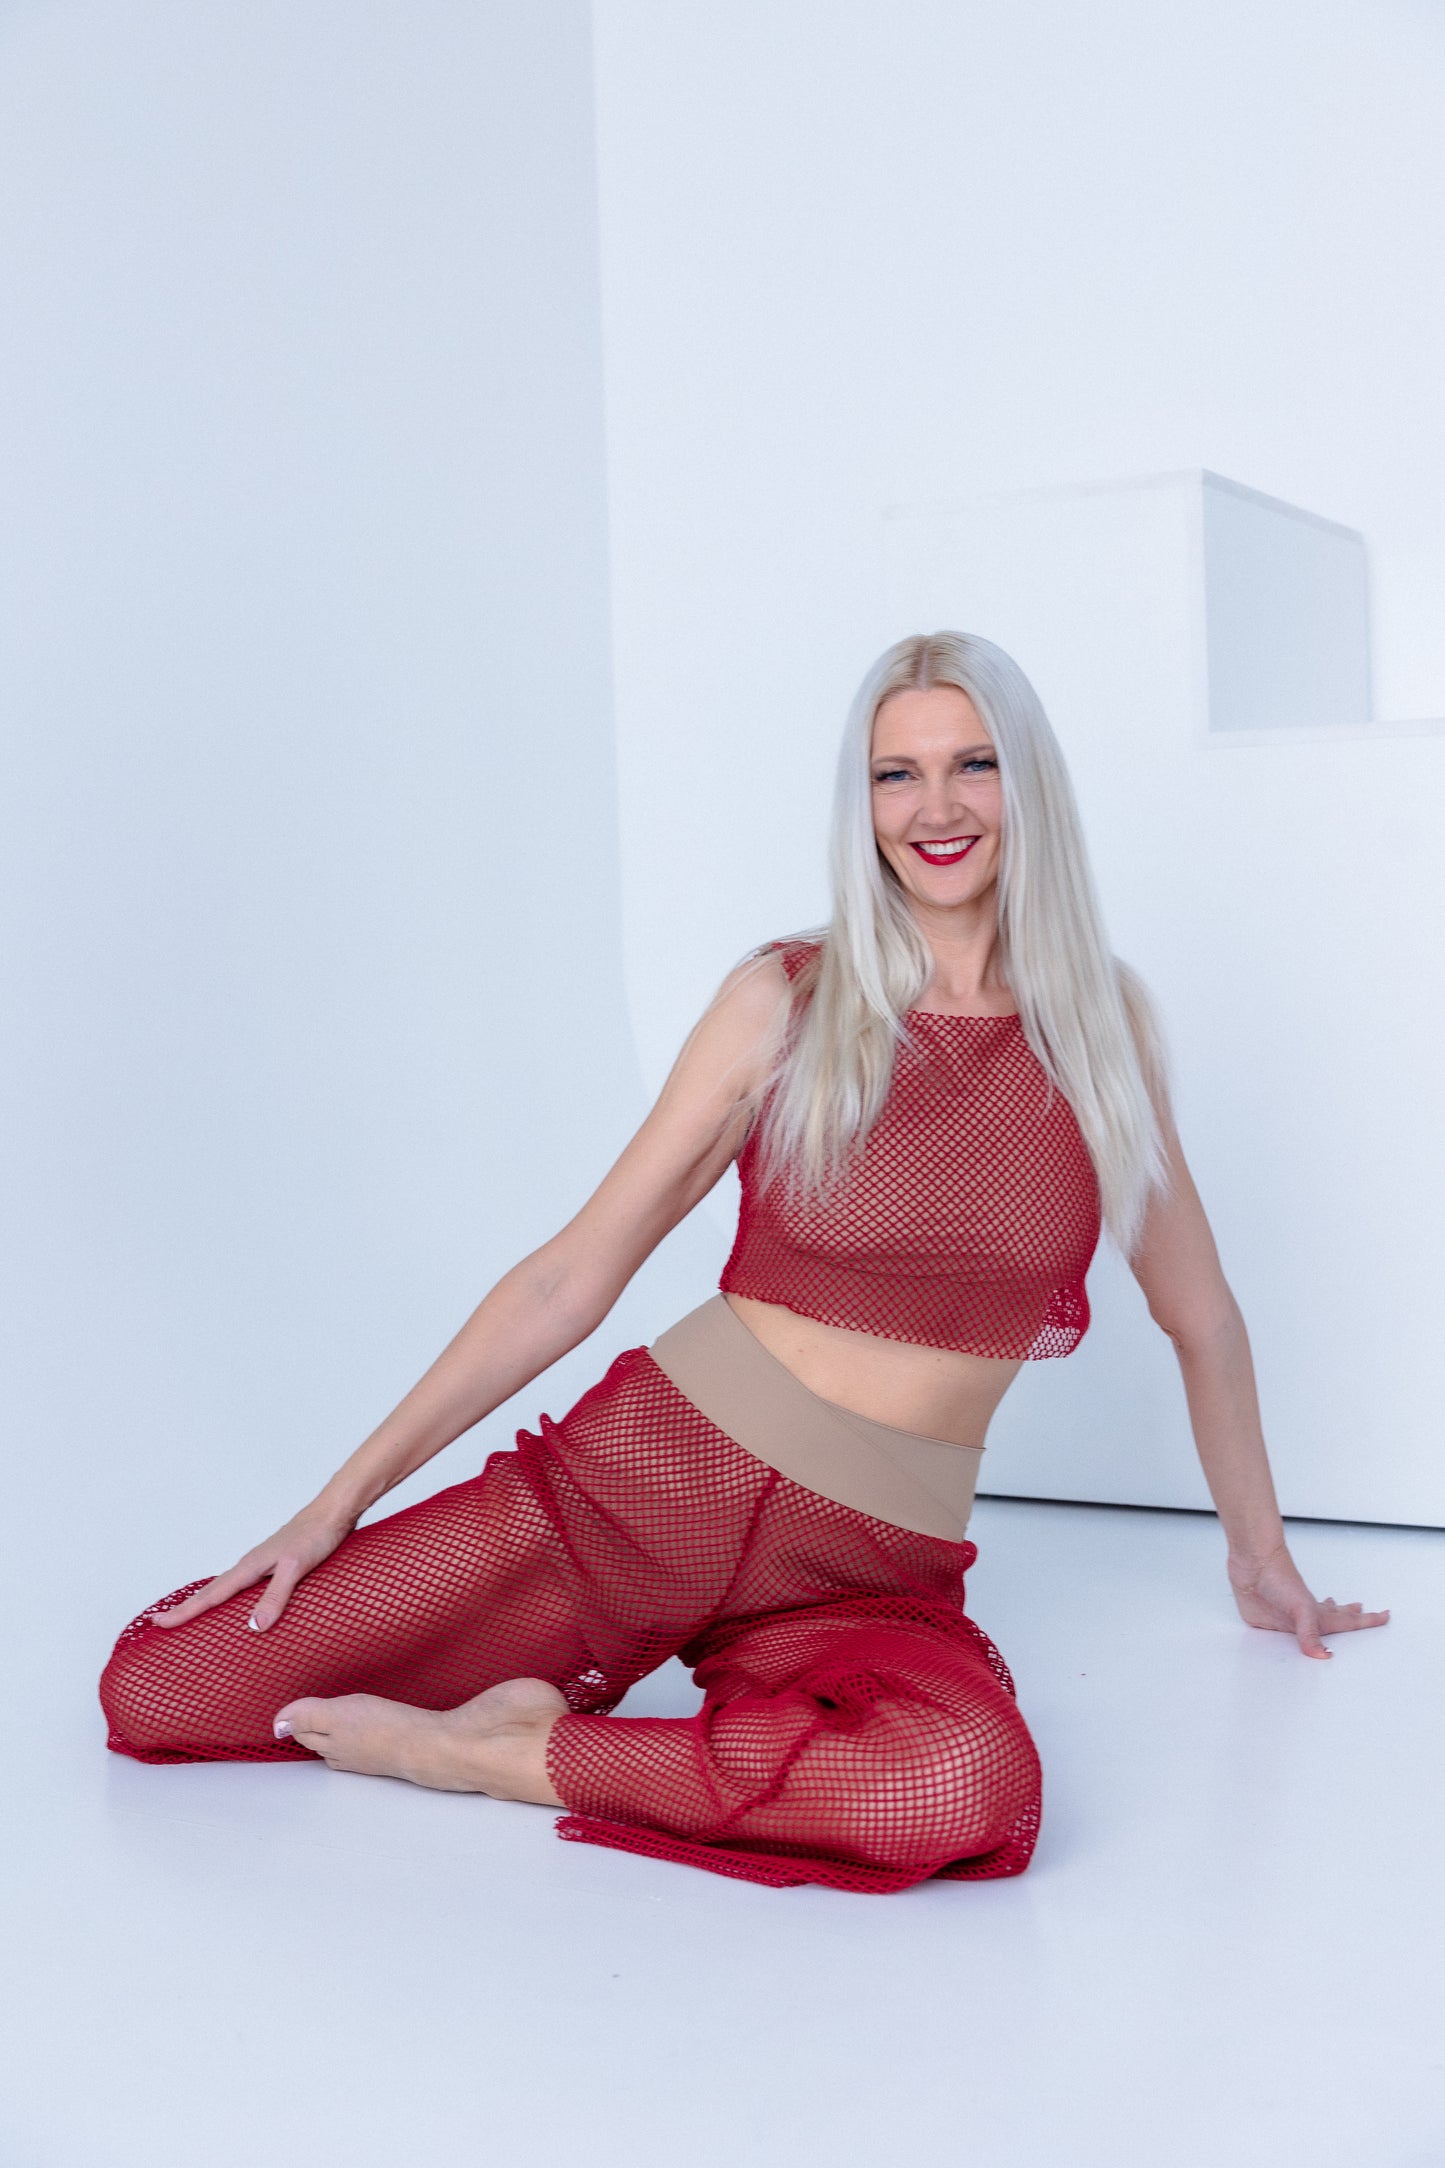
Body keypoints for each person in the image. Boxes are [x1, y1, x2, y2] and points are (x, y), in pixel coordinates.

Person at [100, 631, 1387, 1894]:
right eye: (895, 773)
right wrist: (332, 1506)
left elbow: (1200, 1317)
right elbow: (567, 1277)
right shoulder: (787, 999)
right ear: (861, 802)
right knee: (160, 1688)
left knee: (958, 1784)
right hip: (642, 1488)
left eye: (972, 764)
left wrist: (1257, 1558)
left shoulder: (1100, 1037)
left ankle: (511, 1751)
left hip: (866, 1573)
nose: (935, 807)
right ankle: (577, 1733)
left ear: (1026, 782)